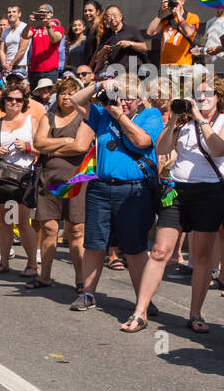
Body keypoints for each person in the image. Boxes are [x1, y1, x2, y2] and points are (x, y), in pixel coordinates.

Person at [133, 87, 224, 333]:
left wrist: (200, 118)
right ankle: (139, 311)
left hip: (208, 192)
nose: (203, 98)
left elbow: (219, 150)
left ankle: (195, 313)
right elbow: (161, 149)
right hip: (177, 190)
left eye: (209, 94)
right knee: (159, 251)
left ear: (219, 98)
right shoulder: (183, 124)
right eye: (198, 95)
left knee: (201, 256)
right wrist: (176, 118)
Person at [68, 76, 165, 319]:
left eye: (128, 98)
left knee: (134, 247)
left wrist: (120, 116)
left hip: (134, 189)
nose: (122, 102)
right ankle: (88, 293)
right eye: (118, 96)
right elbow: (75, 100)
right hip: (101, 187)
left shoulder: (150, 115)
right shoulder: (102, 113)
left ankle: (143, 301)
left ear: (139, 99)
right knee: (94, 243)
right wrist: (100, 85)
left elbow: (143, 142)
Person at [32, 78, 93, 290]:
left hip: (78, 179)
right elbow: (37, 143)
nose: (66, 97)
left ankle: (81, 280)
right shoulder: (48, 117)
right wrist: (64, 141)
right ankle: (44, 277)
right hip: (49, 177)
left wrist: (51, 148)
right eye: (62, 93)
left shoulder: (86, 117)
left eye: (71, 93)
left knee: (76, 230)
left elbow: (80, 146)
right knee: (48, 228)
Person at [0, 85, 39, 277]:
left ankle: (32, 264)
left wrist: (28, 148)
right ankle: (4, 262)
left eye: (18, 99)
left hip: (23, 179)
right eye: (10, 99)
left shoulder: (32, 121)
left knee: (22, 222)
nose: (14, 102)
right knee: (5, 222)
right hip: (0, 178)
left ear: (24, 102)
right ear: (3, 102)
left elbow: (44, 149)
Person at [145, 0, 201, 87]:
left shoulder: (192, 17)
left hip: (183, 66)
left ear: (182, 1)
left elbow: (188, 32)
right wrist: (160, 15)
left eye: (174, 0)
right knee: (166, 97)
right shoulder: (165, 20)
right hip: (165, 66)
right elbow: (150, 32)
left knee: (182, 97)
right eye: (169, 0)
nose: (172, 3)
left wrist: (178, 14)